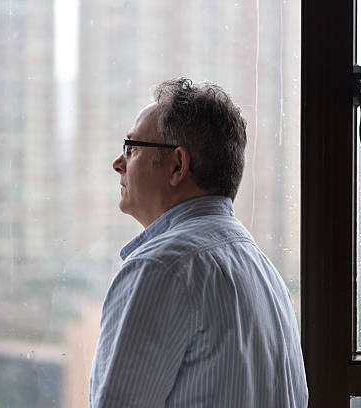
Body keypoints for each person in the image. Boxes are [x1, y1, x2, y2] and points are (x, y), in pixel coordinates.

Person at [89, 78, 308, 407]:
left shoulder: (161, 269)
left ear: (178, 164)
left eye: (131, 149)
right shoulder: (265, 273)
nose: (118, 164)